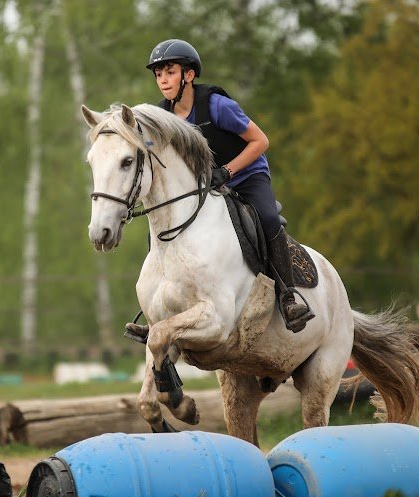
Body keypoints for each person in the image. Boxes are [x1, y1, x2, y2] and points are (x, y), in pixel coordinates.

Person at [125, 38, 314, 342]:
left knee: (267, 218)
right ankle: (155, 313)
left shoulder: (217, 106)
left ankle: (289, 297)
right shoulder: (164, 117)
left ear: (189, 75)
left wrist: (227, 171)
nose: (162, 80)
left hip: (246, 176)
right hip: (205, 185)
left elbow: (260, 142)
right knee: (158, 231)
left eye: (169, 72)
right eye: (158, 74)